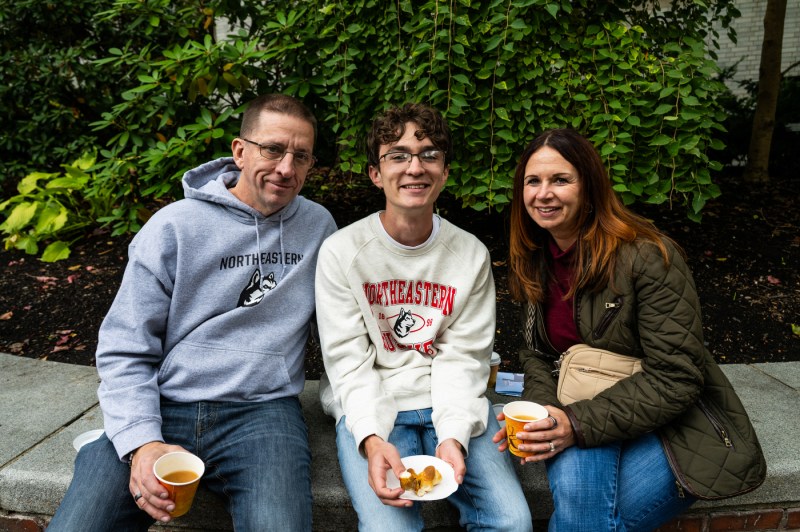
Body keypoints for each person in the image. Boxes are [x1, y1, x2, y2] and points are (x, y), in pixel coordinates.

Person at [48, 94, 337, 531]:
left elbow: (344, 328)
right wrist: (142, 442)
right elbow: (125, 348)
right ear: (240, 151)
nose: (286, 168)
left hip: (263, 413)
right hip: (166, 404)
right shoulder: (174, 227)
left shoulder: (318, 228)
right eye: (273, 149)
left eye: (301, 156)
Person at [495, 128, 765, 530]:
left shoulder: (647, 256)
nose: (543, 193)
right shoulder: (536, 257)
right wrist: (545, 411)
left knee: (582, 516)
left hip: (668, 418)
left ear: (590, 187)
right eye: (533, 181)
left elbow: (677, 376)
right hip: (579, 404)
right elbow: (536, 352)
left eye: (560, 180)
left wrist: (575, 423)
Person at [315, 103, 532, 531]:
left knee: (511, 522)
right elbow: (348, 363)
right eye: (397, 154)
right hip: (376, 407)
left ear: (445, 171)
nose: (415, 167)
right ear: (375, 173)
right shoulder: (342, 252)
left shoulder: (468, 254)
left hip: (451, 400)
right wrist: (372, 439)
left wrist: (453, 436)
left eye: (429, 154)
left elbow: (466, 357)